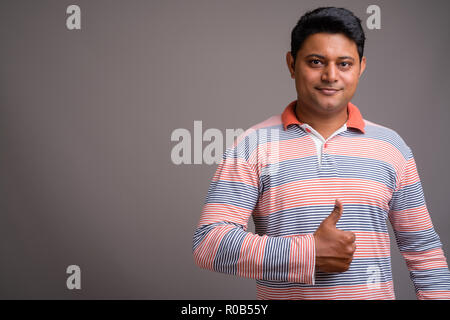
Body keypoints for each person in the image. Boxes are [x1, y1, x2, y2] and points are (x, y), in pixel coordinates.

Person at [192, 7, 450, 299]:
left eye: (344, 64)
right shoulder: (253, 144)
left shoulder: (391, 147)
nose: (330, 76)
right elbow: (208, 244)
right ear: (291, 64)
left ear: (361, 68)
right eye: (316, 62)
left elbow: (424, 252)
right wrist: (307, 252)